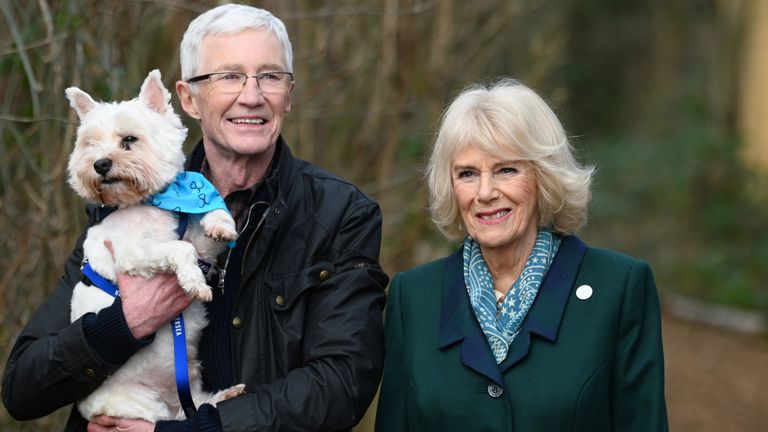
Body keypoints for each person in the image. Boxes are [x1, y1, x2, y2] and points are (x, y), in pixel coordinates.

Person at [2, 4, 388, 431]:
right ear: (188, 99)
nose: (252, 95)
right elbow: (23, 386)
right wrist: (125, 324)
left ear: (289, 94)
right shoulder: (124, 204)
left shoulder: (339, 215)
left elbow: (343, 383)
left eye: (270, 76)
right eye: (229, 76)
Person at [375, 79, 668, 431]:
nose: (485, 192)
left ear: (543, 176)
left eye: (506, 170)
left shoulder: (619, 289)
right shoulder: (413, 298)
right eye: (467, 174)